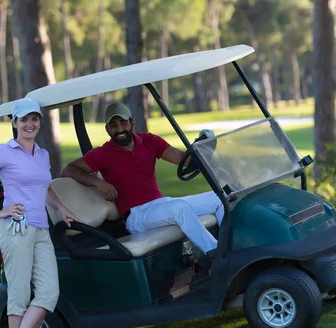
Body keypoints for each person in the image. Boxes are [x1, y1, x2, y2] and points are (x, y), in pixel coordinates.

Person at [0, 98, 79, 328]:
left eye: (35, 119)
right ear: (14, 123)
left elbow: (46, 187)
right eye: (24, 119)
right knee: (18, 295)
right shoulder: (4, 151)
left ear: (39, 122)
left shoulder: (42, 154)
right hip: (16, 229)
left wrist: (61, 208)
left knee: (49, 292)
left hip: (41, 229)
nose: (30, 124)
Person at [60, 102, 223, 257]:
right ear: (107, 129)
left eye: (123, 123)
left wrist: (204, 147)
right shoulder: (103, 153)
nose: (119, 129)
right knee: (179, 208)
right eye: (113, 125)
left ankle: (231, 246)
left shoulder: (150, 141)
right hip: (136, 216)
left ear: (132, 122)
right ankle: (216, 254)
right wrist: (98, 182)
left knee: (219, 198)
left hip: (160, 205)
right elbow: (68, 170)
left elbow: (183, 160)